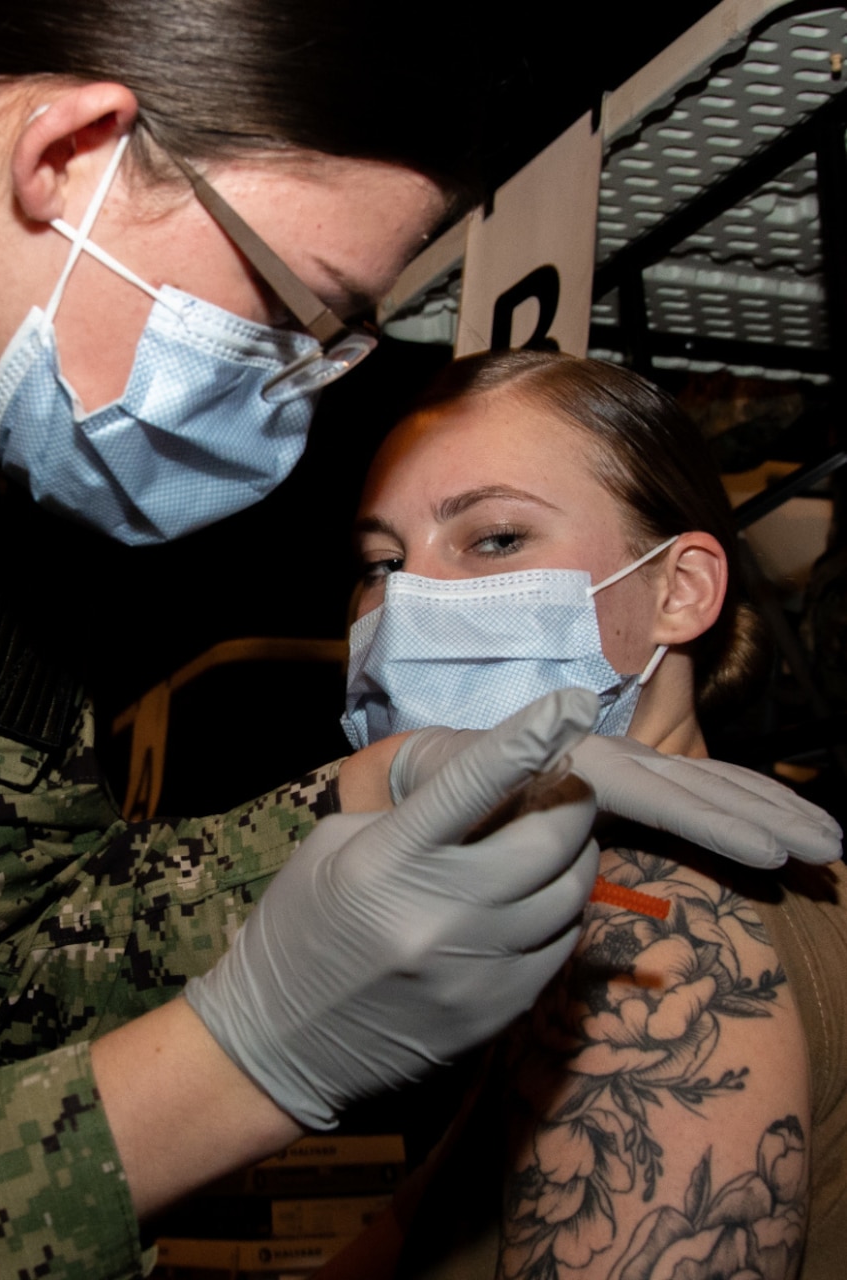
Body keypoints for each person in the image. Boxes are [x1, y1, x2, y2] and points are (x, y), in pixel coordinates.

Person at [0, 5, 839, 1277]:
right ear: (69, 156)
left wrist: (358, 794)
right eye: (297, 308)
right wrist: (240, 1063)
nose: (286, 403)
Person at [323, 350, 847, 1279]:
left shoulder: (647, 920)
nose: (408, 607)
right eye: (381, 564)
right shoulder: (561, 898)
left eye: (493, 539)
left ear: (678, 592)